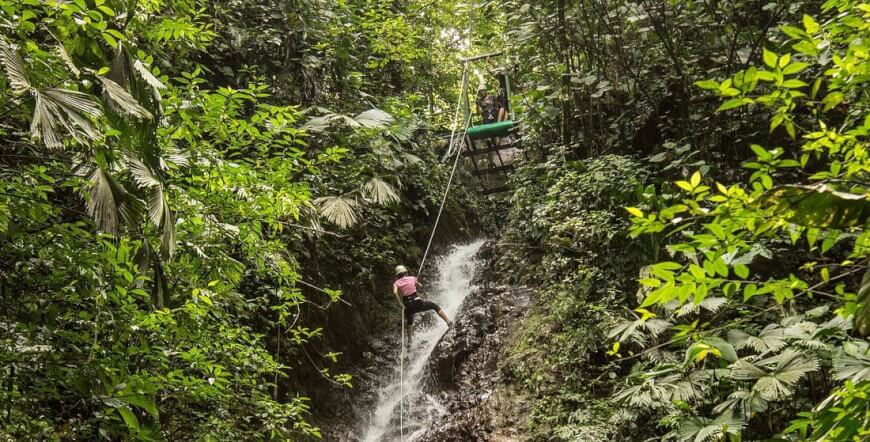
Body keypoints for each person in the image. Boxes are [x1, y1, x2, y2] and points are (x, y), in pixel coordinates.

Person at [393, 265, 452, 340]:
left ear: (397, 275)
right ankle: (449, 322)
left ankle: (410, 339)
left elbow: (395, 292)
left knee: (409, 320)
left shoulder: (396, 283)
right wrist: (416, 282)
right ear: (405, 272)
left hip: (408, 306)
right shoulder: (412, 278)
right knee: (434, 306)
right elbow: (420, 286)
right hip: (417, 302)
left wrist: (400, 304)